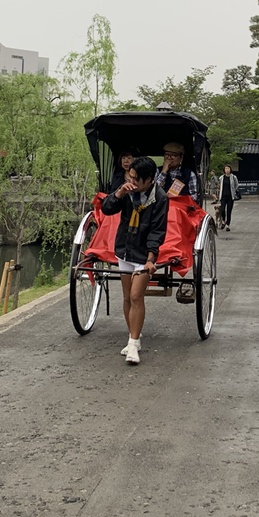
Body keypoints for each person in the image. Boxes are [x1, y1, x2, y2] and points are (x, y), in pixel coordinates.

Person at [101, 156, 168, 366]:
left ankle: (133, 342)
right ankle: (133, 337)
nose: (133, 181)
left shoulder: (159, 197)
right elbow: (107, 209)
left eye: (137, 179)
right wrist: (119, 193)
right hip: (124, 248)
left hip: (143, 252)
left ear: (149, 180)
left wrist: (151, 258)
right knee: (127, 298)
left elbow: (157, 231)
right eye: (131, 177)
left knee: (136, 295)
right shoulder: (127, 192)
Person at [215, 164, 239, 231]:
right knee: (222, 209)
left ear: (230, 169)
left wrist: (233, 191)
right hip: (223, 196)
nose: (227, 170)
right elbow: (220, 186)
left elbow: (236, 185)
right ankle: (223, 221)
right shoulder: (221, 177)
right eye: (226, 169)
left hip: (230, 196)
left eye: (228, 168)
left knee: (229, 211)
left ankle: (227, 225)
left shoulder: (233, 177)